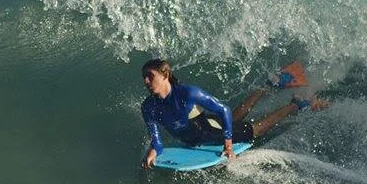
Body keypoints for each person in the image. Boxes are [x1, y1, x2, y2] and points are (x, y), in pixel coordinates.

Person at [140, 58, 327, 169]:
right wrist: (154, 151)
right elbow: (156, 140)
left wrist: (228, 144)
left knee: (255, 130)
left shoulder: (187, 93)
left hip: (212, 133)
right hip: (203, 132)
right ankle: (269, 84)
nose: (146, 81)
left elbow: (223, 110)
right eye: (144, 77)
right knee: (233, 119)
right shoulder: (149, 107)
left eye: (151, 76)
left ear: (165, 75)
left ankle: (297, 103)